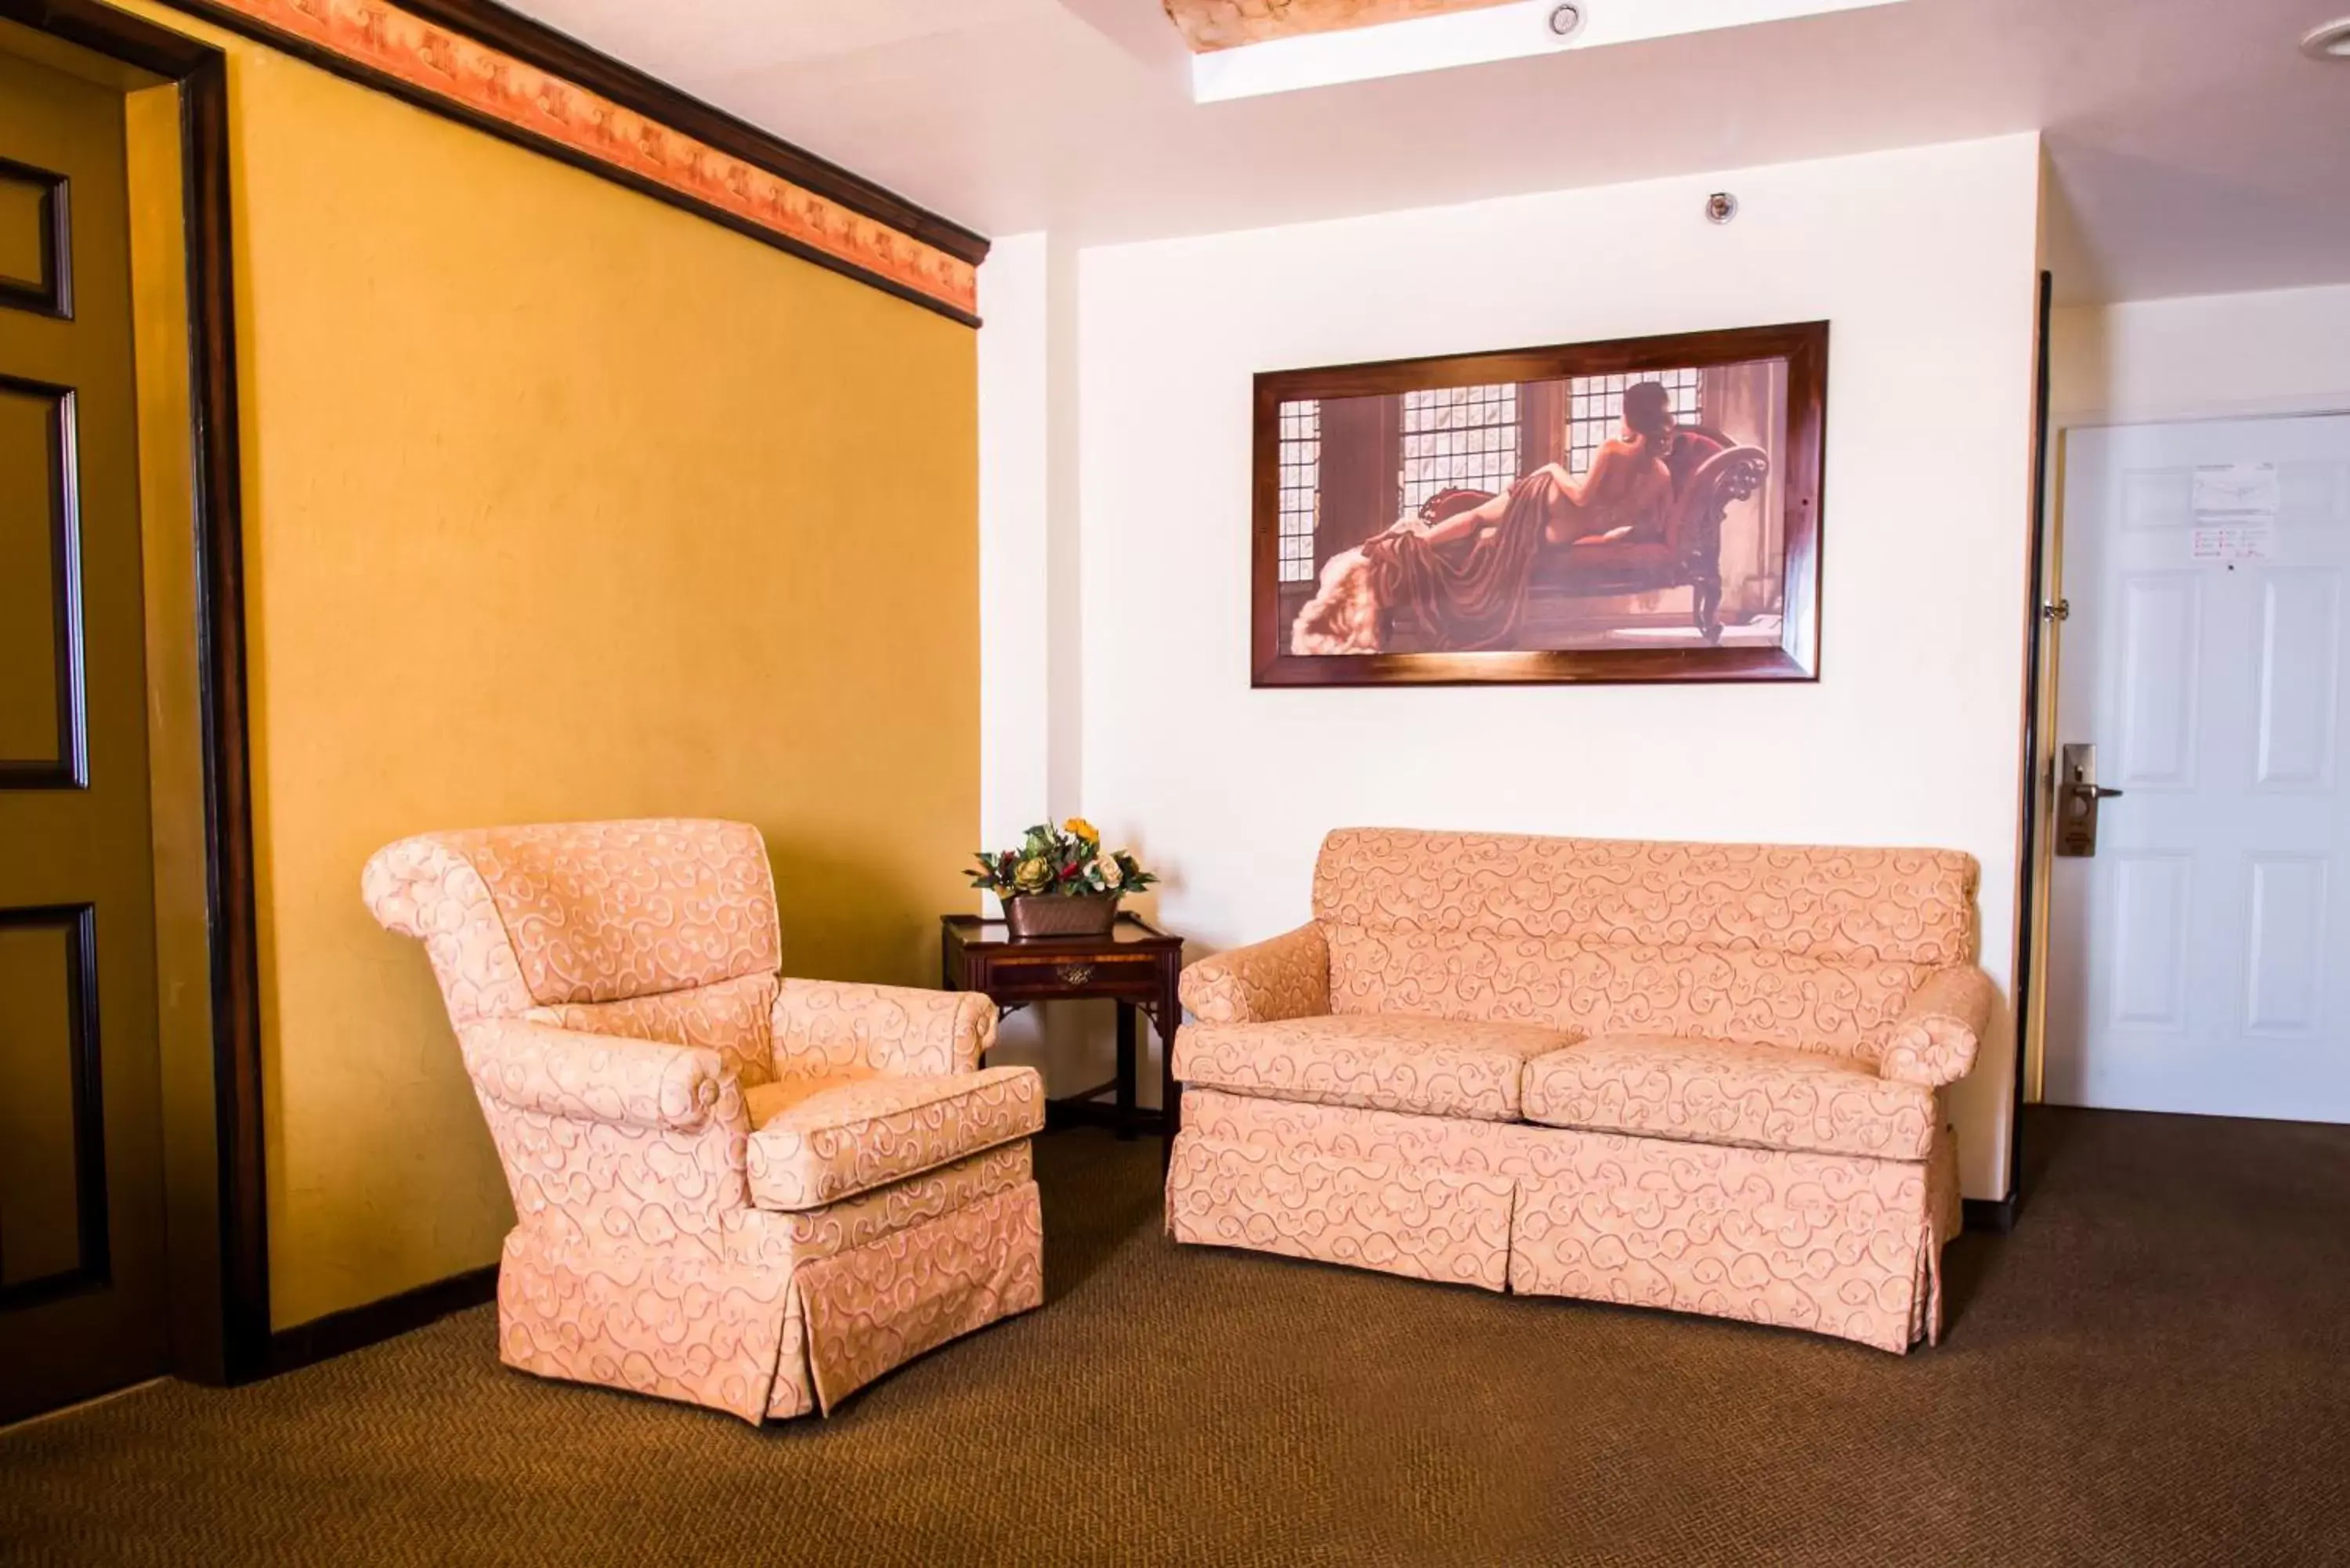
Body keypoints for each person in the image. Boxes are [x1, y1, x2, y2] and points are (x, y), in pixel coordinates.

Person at [1408, 379, 1678, 551]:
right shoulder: (1662, 476)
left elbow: (1582, 497)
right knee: (1486, 531)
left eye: (1623, 411)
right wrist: (1612, 537)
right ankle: (1464, 537)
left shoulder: (1613, 449)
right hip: (1564, 534)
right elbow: (1659, 524)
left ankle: (1416, 545)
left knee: (1477, 517)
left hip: (1559, 502)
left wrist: (1551, 468)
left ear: (1631, 416)